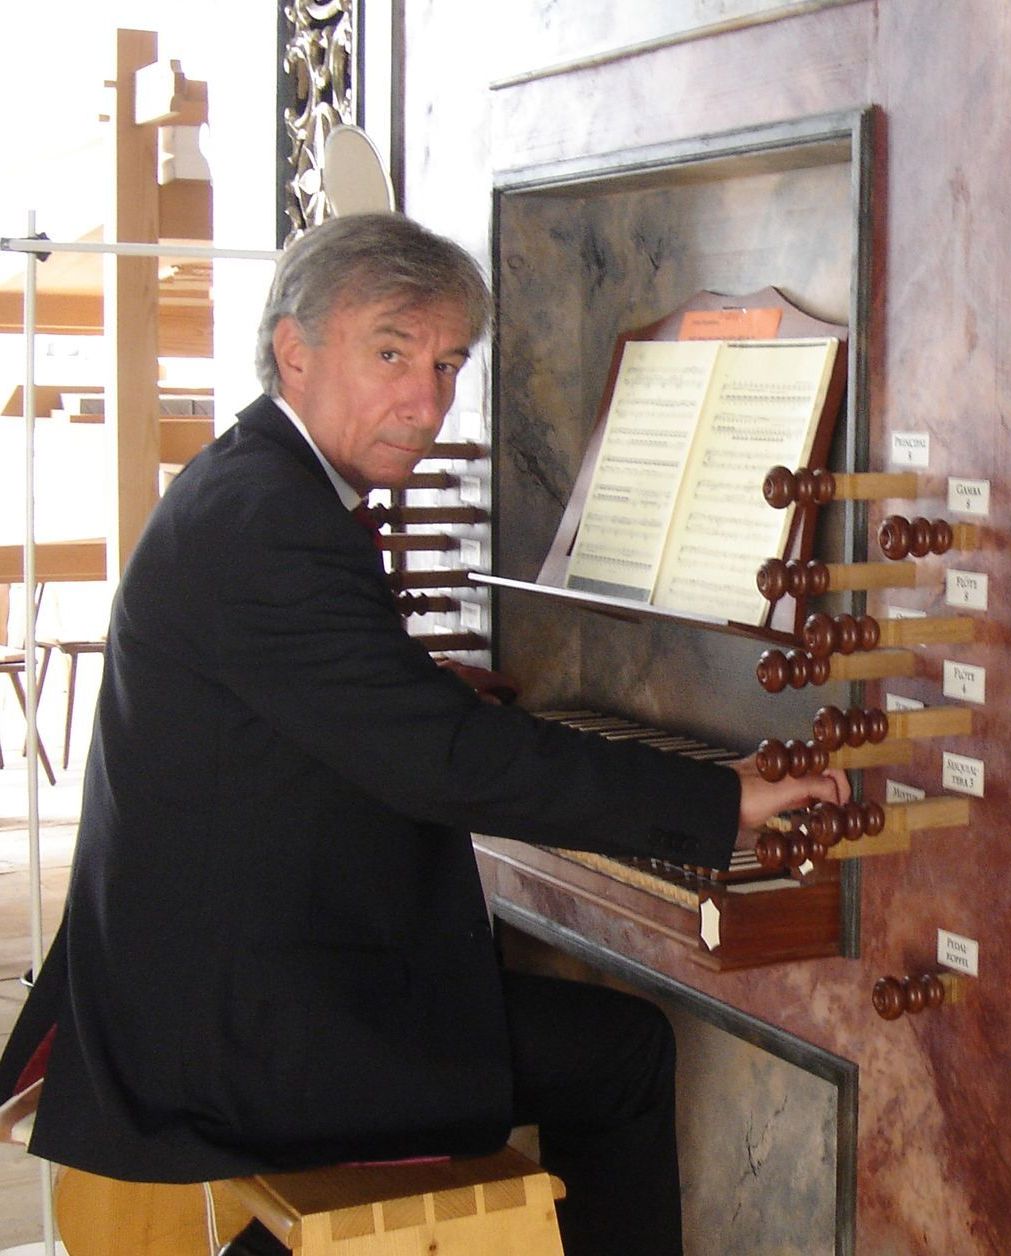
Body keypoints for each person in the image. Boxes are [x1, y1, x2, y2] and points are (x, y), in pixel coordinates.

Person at [0, 212, 847, 1256]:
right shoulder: (270, 520)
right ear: (293, 350)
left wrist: (406, 685)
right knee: (625, 1055)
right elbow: (446, 759)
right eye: (391, 352)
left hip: (215, 983)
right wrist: (720, 797)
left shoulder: (260, 482)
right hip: (237, 1028)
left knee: (556, 1031)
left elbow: (338, 703)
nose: (428, 400)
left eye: (448, 364)